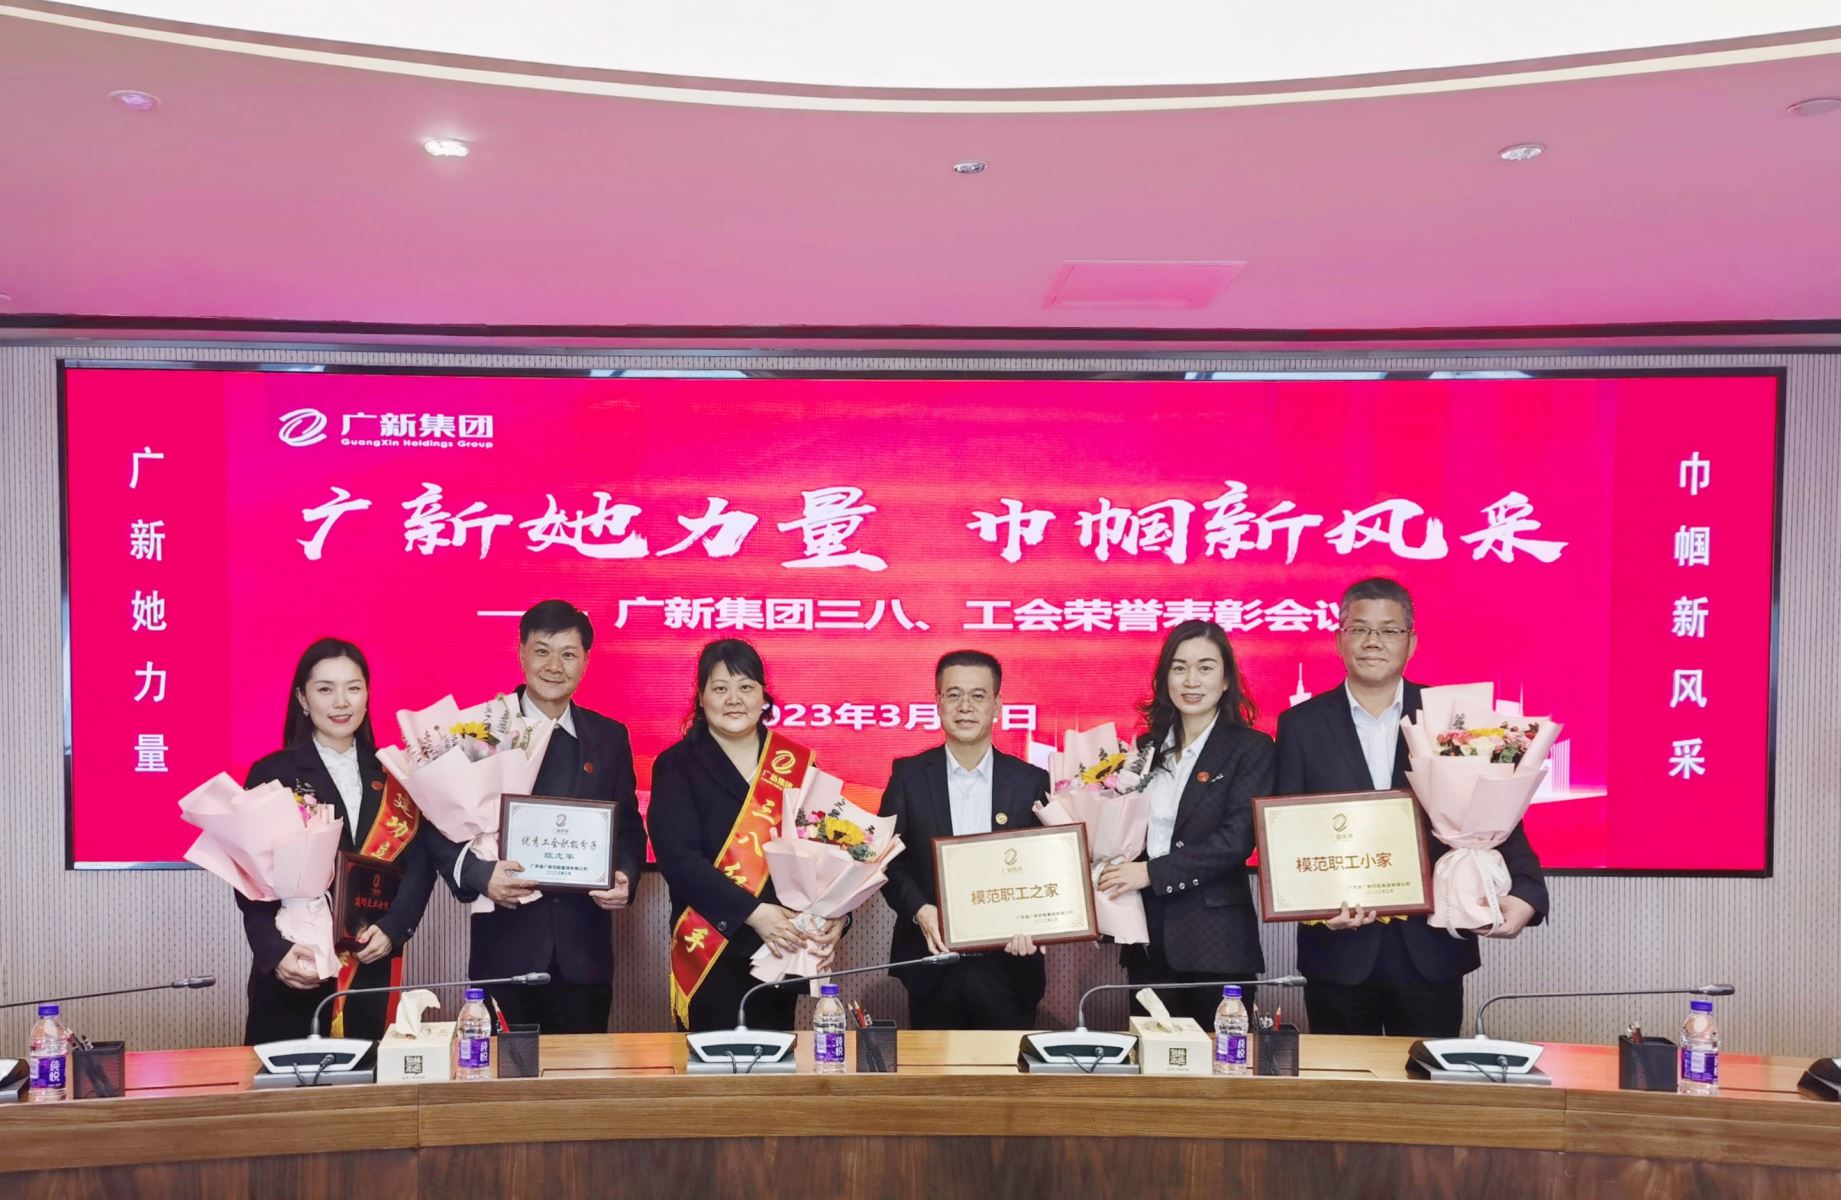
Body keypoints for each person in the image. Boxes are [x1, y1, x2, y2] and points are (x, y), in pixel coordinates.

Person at [1274, 577, 1549, 1038]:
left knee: (1428, 1080)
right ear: (1339, 639)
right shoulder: (1300, 724)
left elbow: (1494, 811)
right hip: (1339, 951)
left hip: (1432, 947)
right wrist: (1313, 906)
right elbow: (1288, 831)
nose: (1373, 642)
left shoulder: (1450, 719)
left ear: (1412, 642)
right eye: (1359, 629)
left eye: (1389, 630)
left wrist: (1528, 892)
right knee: (1341, 1081)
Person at [442, 600, 646, 1035]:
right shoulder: (482, 730)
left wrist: (626, 876)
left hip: (584, 954)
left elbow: (629, 828)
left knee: (582, 1075)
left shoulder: (609, 737)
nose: (555, 666)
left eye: (568, 654)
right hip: (506, 949)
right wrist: (480, 874)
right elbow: (438, 827)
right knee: (504, 1074)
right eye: (542, 651)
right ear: (521, 654)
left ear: (586, 661)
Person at [240, 638, 436, 1045]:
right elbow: (250, 880)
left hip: (371, 958)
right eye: (325, 689)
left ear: (367, 695)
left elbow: (420, 864)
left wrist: (394, 929)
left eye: (353, 688)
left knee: (369, 1075)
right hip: (299, 964)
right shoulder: (272, 774)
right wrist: (275, 951)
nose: (341, 702)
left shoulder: (396, 773)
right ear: (303, 698)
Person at [647, 639, 844, 1033]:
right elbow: (680, 861)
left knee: (779, 1064)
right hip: (711, 950)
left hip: (782, 948)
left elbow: (827, 852)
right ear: (701, 697)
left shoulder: (794, 763)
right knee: (711, 1066)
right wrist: (755, 914)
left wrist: (837, 915)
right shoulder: (676, 765)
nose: (733, 700)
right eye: (720, 688)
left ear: (763, 696)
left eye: (746, 687)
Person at [1097, 619, 1273, 1029]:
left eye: (1205, 668)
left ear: (1226, 680)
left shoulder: (1251, 748)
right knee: (1155, 1060)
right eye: (1179, 668)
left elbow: (1236, 840)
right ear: (1165, 679)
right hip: (1147, 936)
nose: (1191, 680)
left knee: (1221, 1060)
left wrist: (1151, 872)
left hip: (1217, 944)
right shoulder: (1145, 748)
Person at [881, 650, 1052, 1030]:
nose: (965, 707)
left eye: (978, 696)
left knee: (1007, 1067)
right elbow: (888, 860)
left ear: (997, 704)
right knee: (933, 1068)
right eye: (954, 695)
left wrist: (1035, 921)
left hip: (1010, 964)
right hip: (933, 961)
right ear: (938, 702)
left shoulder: (1031, 781)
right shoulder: (908, 776)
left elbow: (1047, 864)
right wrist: (920, 910)